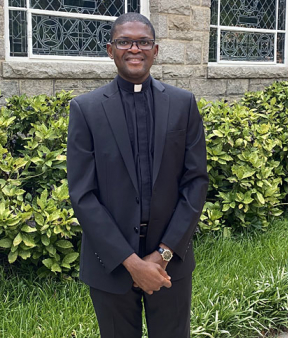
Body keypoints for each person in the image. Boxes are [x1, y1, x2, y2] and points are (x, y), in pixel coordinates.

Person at [67, 12, 209, 338]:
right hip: (111, 265)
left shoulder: (183, 104)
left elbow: (195, 181)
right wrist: (131, 263)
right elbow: (83, 195)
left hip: (169, 261)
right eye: (124, 42)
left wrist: (163, 255)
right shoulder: (86, 110)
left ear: (155, 50)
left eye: (143, 42)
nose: (135, 49)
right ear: (110, 49)